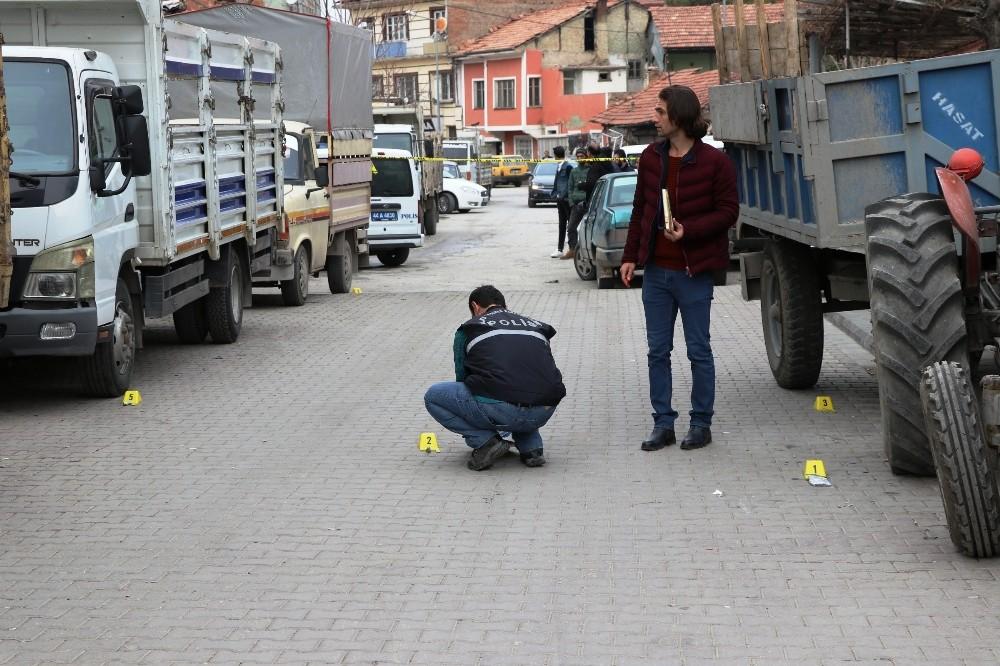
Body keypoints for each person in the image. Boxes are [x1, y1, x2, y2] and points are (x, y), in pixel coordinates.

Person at [620, 85, 738, 452]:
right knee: (657, 351)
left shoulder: (715, 162)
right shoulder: (651, 159)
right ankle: (663, 424)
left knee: (698, 351)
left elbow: (728, 212)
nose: (654, 118)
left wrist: (690, 232)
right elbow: (640, 208)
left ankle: (700, 424)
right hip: (656, 272)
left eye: (659, 112)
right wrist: (629, 256)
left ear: (679, 116)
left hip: (693, 271)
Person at [424, 285, 566, 471]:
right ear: (503, 304)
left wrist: (488, 420)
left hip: (502, 410)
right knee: (524, 383)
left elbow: (462, 378)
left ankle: (486, 443)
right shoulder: (536, 326)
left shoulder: (470, 328)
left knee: (434, 396)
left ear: (475, 307)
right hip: (544, 410)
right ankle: (532, 447)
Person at [560, 145, 591, 259]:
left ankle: (588, 250)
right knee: (571, 228)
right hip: (576, 205)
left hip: (588, 204)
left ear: (586, 157)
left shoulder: (590, 170)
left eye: (582, 156)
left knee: (589, 229)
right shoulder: (573, 171)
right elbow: (570, 187)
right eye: (577, 156)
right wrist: (572, 202)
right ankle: (573, 249)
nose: (579, 158)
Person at [551, 145, 575, 258]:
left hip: (566, 200)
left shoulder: (568, 167)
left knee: (570, 225)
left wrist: (564, 195)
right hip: (560, 200)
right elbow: (556, 182)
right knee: (561, 224)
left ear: (556, 156)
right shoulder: (558, 166)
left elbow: (571, 184)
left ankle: (573, 248)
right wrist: (555, 194)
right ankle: (560, 249)